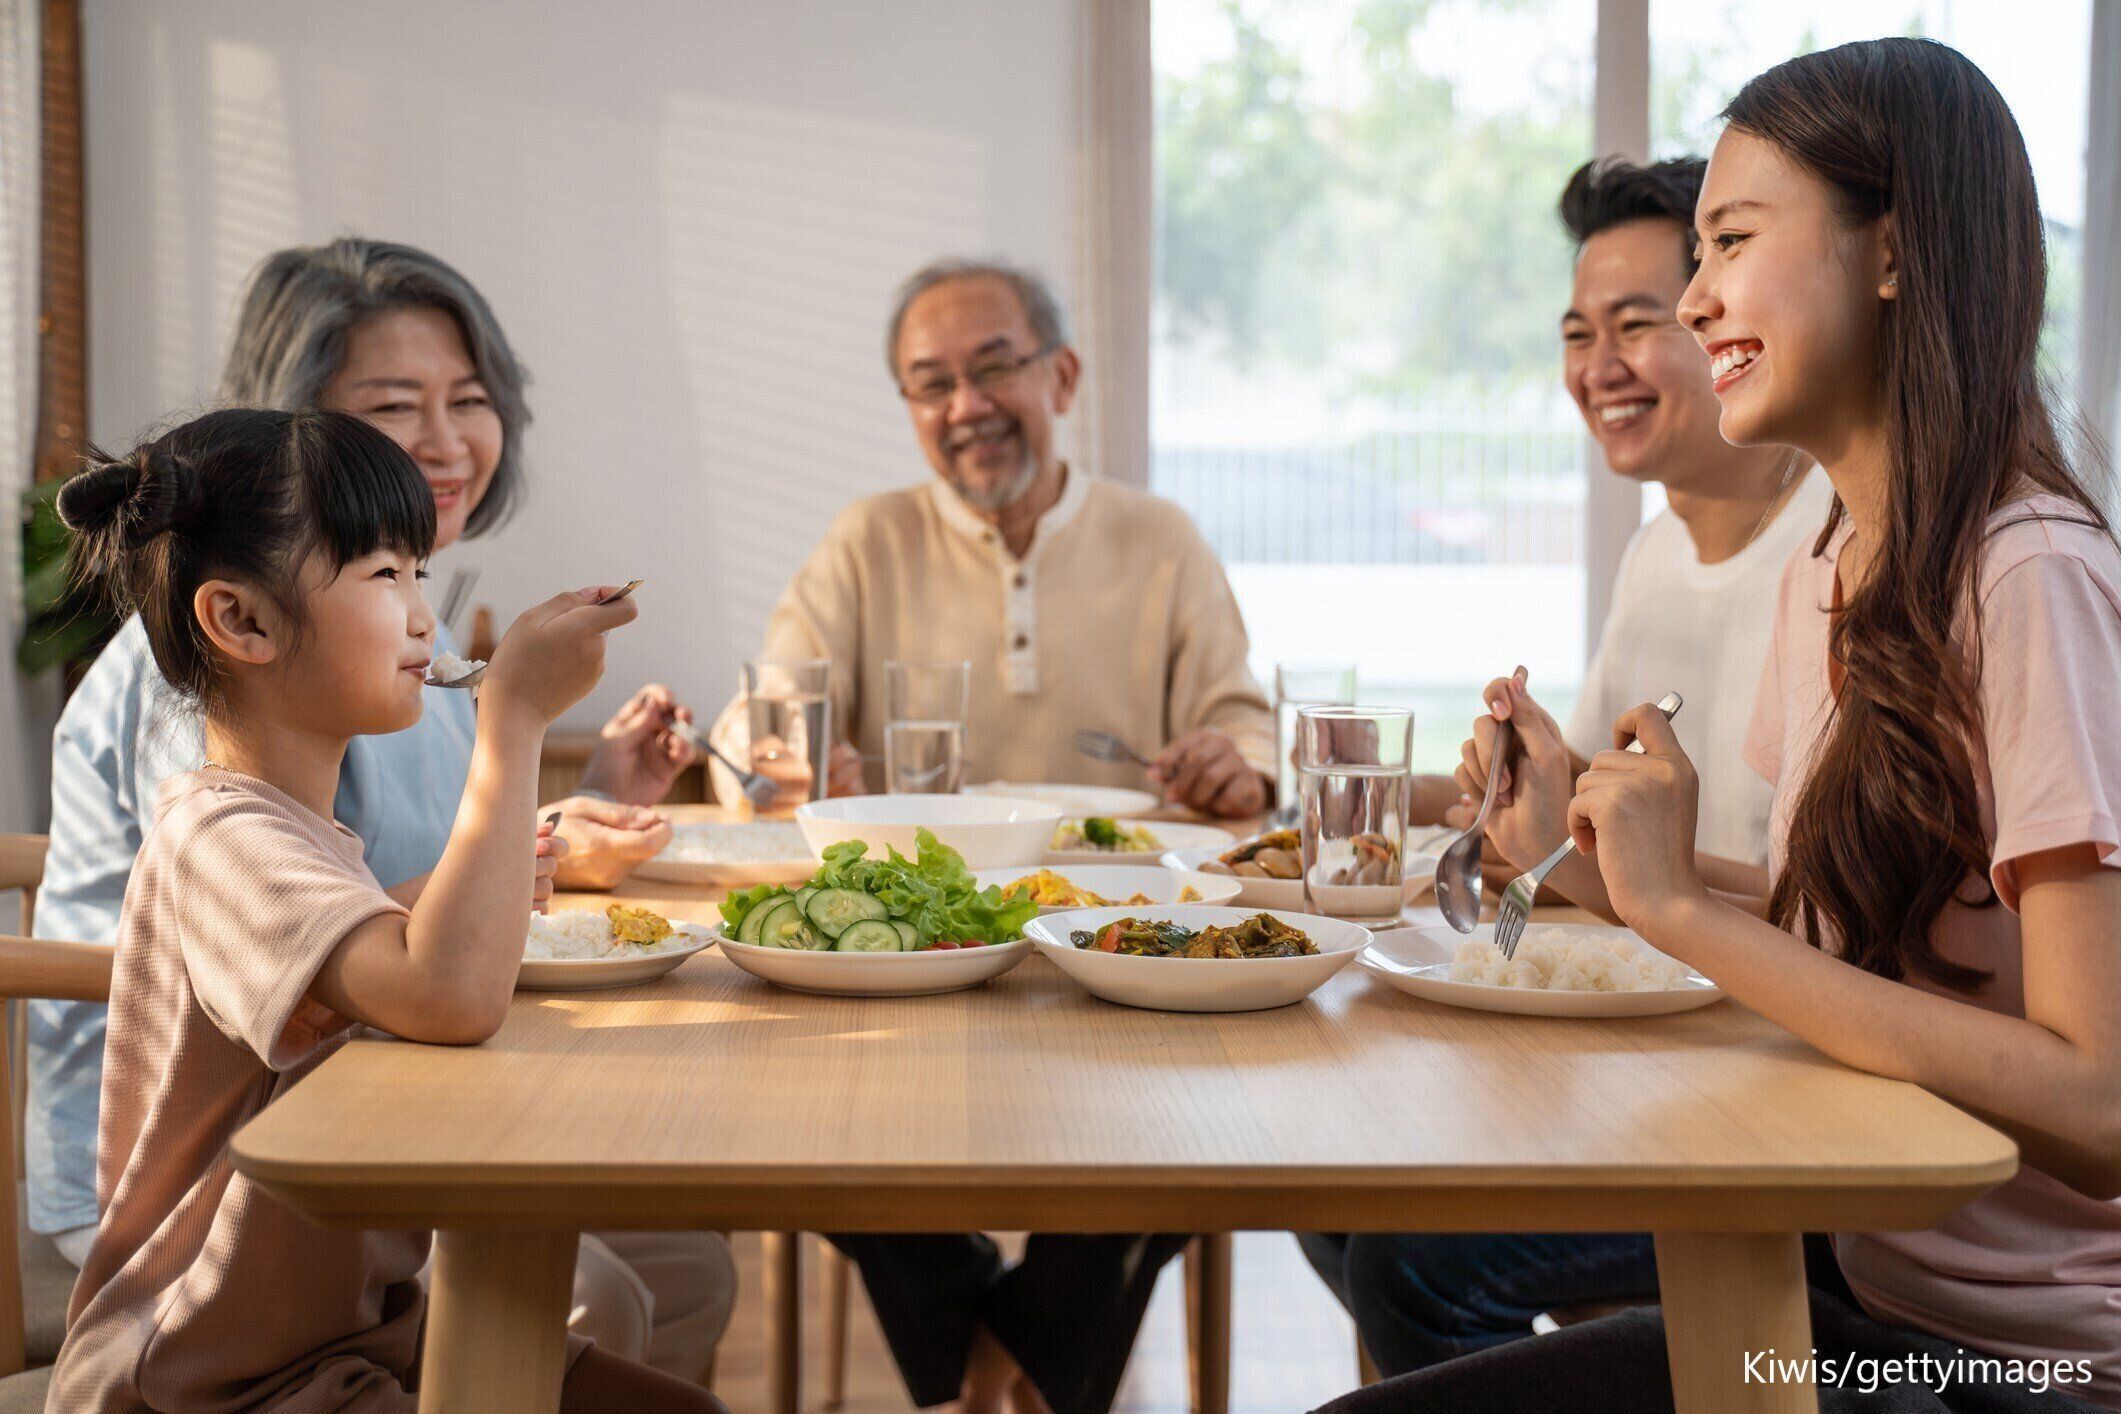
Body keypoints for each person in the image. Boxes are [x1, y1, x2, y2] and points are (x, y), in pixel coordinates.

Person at [1331, 38, 2121, 1413]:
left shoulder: (2030, 571)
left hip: (2027, 1360)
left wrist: (1685, 916)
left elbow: (2100, 1104)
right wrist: (1591, 860)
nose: (1692, 304)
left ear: (1893, 250)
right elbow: (1839, 935)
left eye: (1730, 244)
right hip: (1861, 1285)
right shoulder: (1845, 560)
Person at [29, 238, 731, 1382]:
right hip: (213, 1336)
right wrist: (510, 723)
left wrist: (582, 798)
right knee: (588, 1292)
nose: (450, 438)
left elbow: (383, 907)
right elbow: (425, 975)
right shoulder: (212, 763)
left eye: (470, 400)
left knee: (672, 1290)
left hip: (350, 1225)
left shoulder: (357, 681)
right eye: (396, 405)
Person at [1299, 153, 1832, 1378]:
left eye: (1641, 322)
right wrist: (1517, 786)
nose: (1600, 364)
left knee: (1416, 1258)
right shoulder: (1654, 554)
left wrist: (1567, 841)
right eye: (1578, 331)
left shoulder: (1832, 547)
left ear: (1725, 315)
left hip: (1767, 1076)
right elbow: (1580, 837)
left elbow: (1796, 895)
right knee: (1335, 1175)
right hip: (1645, 1047)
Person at [708, 257, 1275, 818]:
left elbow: (1244, 725)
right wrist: (774, 762)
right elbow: (767, 708)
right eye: (933, 385)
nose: (967, 407)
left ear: (1064, 378)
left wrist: (1239, 769)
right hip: (921, 898)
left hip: (1120, 898)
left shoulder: (1161, 537)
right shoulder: (868, 538)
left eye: (994, 370)